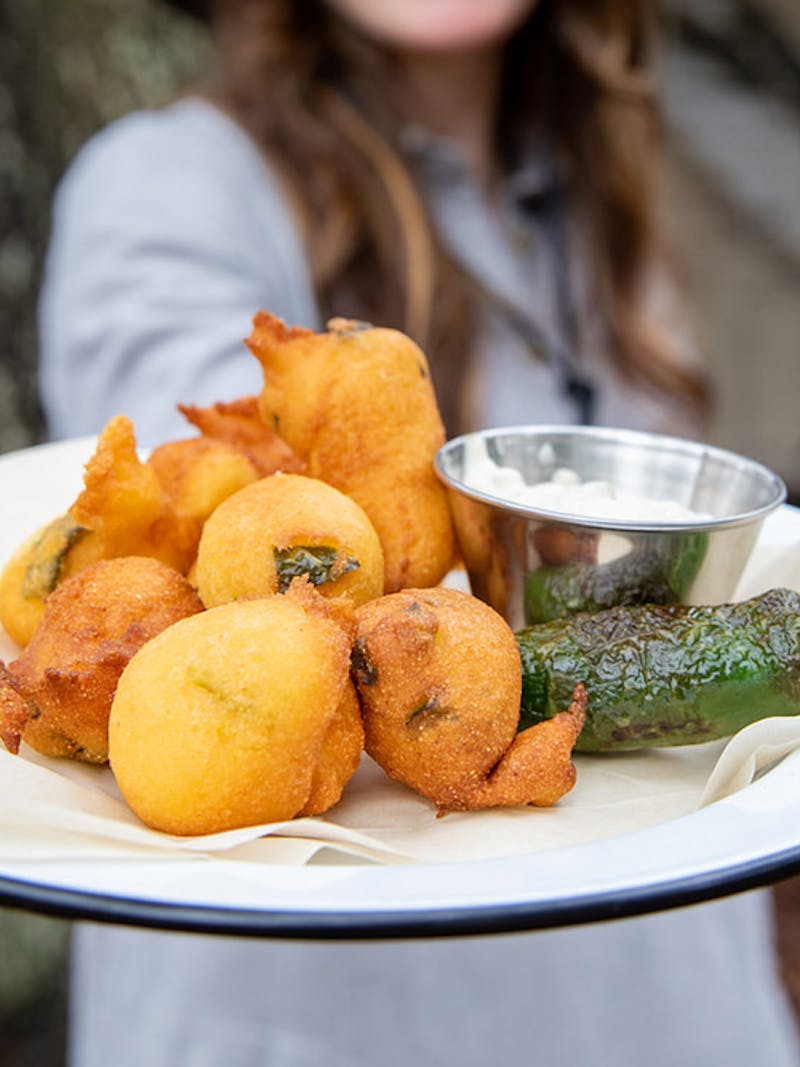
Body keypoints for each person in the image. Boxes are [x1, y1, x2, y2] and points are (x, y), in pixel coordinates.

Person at [37, 1, 800, 1065]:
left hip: (674, 1009)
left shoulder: (593, 183)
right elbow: (182, 448)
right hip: (315, 1026)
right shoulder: (168, 181)